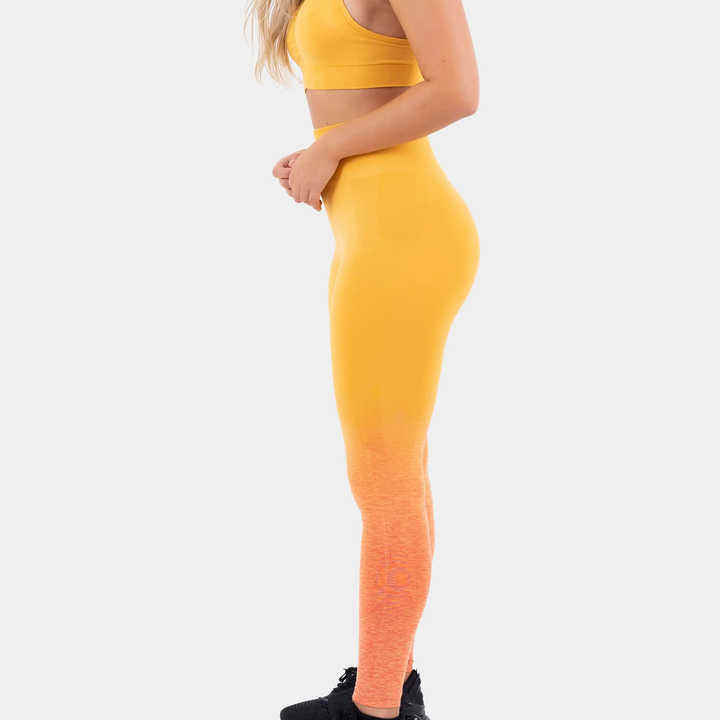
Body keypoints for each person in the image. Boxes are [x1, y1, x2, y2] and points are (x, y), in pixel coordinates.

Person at [245, 1, 480, 717]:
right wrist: (321, 151)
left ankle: (375, 707)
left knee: (383, 480)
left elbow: (458, 90)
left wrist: (331, 148)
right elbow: (358, 88)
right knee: (395, 474)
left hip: (402, 238)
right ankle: (391, 683)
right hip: (373, 233)